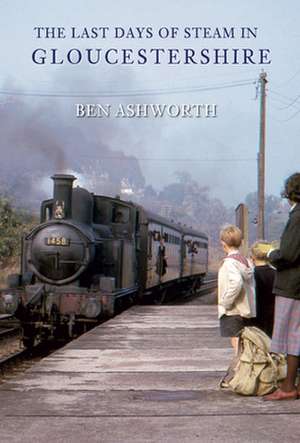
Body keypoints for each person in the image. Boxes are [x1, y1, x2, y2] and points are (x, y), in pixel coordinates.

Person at [263, 173, 300, 401]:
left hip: (293, 284)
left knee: (292, 336)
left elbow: (288, 253)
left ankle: (288, 387)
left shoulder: (297, 216)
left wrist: (270, 254)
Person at [218, 225, 256, 355]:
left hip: (233, 310)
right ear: (240, 242)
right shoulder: (246, 261)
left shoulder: (229, 263)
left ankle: (240, 371)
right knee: (244, 345)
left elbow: (236, 282)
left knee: (237, 346)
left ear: (223, 244)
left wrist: (225, 302)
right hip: (246, 310)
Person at [250, 241, 276, 337]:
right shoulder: (276, 274)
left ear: (253, 257)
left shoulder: (251, 274)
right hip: (272, 315)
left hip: (254, 314)